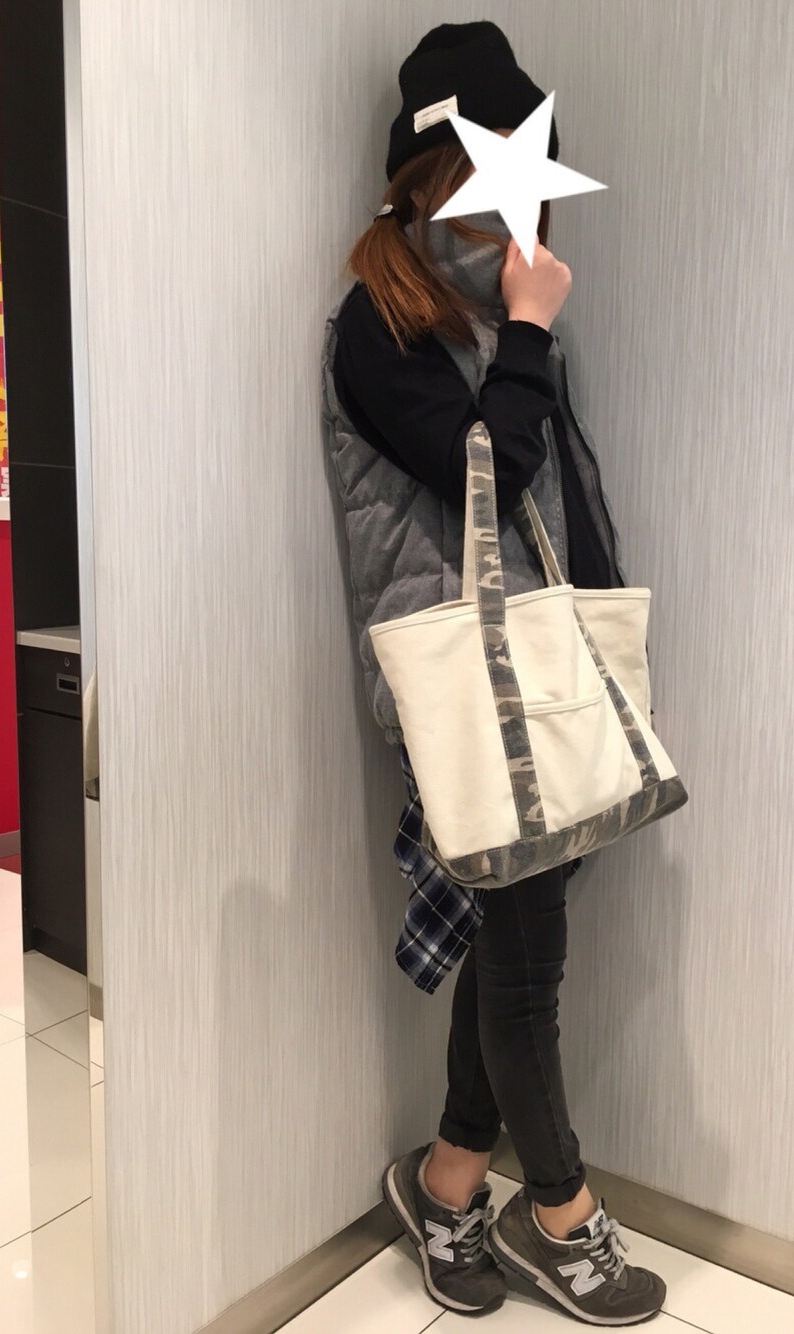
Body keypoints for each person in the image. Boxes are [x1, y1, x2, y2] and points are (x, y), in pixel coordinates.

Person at [321, 20, 666, 1327]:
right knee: (527, 966)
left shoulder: (487, 315)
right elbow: (493, 474)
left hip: (548, 675)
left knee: (513, 941)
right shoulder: (384, 321)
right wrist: (527, 328)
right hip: (470, 690)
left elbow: (560, 503)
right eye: (499, 165)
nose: (521, 199)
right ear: (437, 171)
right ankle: (558, 1213)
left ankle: (449, 1180)